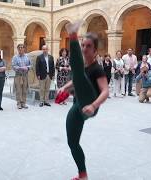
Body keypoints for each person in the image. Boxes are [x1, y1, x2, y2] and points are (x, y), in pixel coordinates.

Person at [58, 21, 109, 180]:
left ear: (95, 50)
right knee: (72, 142)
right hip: (79, 106)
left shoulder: (97, 68)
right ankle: (83, 175)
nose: (85, 48)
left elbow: (106, 91)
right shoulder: (83, 68)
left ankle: (72, 34)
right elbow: (76, 81)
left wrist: (94, 106)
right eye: (83, 45)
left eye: (88, 46)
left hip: (90, 102)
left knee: (79, 73)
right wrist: (65, 88)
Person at [11, 44, 32, 109]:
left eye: (22, 47)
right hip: (18, 75)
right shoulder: (15, 57)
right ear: (17, 49)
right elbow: (13, 66)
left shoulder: (27, 57)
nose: (21, 49)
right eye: (19, 48)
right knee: (18, 90)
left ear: (24, 49)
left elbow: (31, 65)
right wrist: (19, 68)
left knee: (24, 90)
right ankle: (19, 103)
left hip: (25, 76)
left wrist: (27, 68)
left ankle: (24, 103)